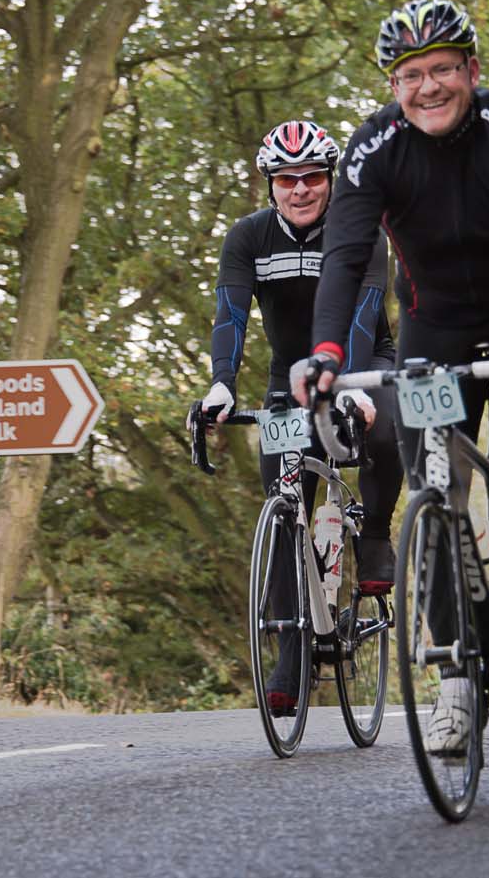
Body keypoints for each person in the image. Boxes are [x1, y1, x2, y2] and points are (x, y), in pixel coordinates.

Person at [292, 0, 489, 753]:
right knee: (434, 485)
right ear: (395, 86)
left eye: (444, 69)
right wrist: (326, 351)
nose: (429, 87)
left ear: (472, 72)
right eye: (411, 74)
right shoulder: (371, 149)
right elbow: (345, 255)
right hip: (438, 314)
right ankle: (456, 680)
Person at [194, 119, 404, 713]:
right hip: (291, 377)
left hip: (363, 363)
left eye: (313, 176)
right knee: (285, 503)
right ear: (270, 184)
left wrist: (350, 387)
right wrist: (220, 385)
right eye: (288, 179)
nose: (302, 189)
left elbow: (365, 314)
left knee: (383, 426)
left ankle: (375, 534)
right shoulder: (248, 238)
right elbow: (230, 316)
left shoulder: (360, 232)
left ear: (329, 179)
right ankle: (292, 654)